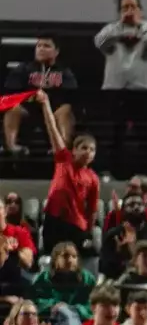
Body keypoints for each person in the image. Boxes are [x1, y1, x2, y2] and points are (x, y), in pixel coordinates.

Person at [32, 90, 98, 255]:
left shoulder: (93, 178)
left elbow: (91, 210)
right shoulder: (64, 159)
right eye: (84, 148)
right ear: (74, 150)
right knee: (51, 258)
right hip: (54, 220)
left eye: (92, 150)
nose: (88, 152)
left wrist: (89, 233)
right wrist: (45, 104)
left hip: (76, 225)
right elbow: (52, 129)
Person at [2, 36, 76, 157]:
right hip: (28, 109)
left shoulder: (63, 71)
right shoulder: (24, 68)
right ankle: (11, 147)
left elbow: (71, 93)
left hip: (53, 110)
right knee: (12, 108)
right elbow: (11, 90)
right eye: (39, 46)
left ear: (56, 52)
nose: (41, 49)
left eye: (46, 46)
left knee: (66, 109)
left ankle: (61, 148)